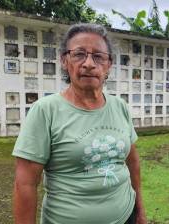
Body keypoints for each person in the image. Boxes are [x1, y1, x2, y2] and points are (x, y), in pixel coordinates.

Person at [12, 23, 147, 224]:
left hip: (125, 215)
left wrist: (140, 211)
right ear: (65, 61)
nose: (89, 64)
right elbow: (25, 184)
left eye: (98, 56)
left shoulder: (120, 106)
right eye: (79, 54)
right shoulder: (45, 111)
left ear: (109, 64)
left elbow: (132, 162)